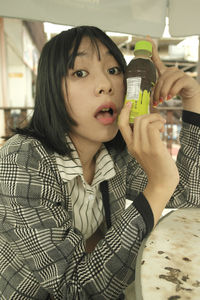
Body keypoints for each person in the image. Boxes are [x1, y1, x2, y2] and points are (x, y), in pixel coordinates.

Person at [0, 26, 199, 300]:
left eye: (114, 70)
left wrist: (193, 100)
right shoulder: (22, 162)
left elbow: (191, 194)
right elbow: (74, 289)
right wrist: (158, 186)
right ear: (51, 90)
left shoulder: (115, 156)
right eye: (80, 73)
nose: (105, 84)